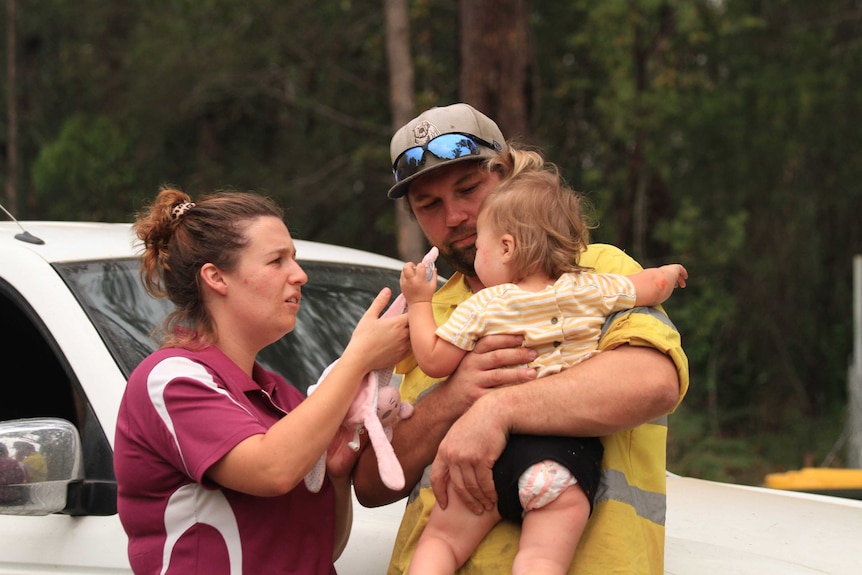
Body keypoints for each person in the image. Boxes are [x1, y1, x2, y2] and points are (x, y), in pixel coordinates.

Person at [351, 103, 689, 575]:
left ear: (507, 176)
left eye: (469, 189)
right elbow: (370, 486)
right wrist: (454, 397)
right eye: (429, 206)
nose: (455, 216)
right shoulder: (422, 313)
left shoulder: (595, 267)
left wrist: (497, 409)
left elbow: (652, 383)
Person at [113, 186, 410, 574]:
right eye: (276, 261)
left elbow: (324, 549)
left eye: (295, 259)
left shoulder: (281, 396)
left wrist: (336, 475)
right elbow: (272, 470)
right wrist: (356, 361)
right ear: (216, 277)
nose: (299, 275)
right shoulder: (170, 379)